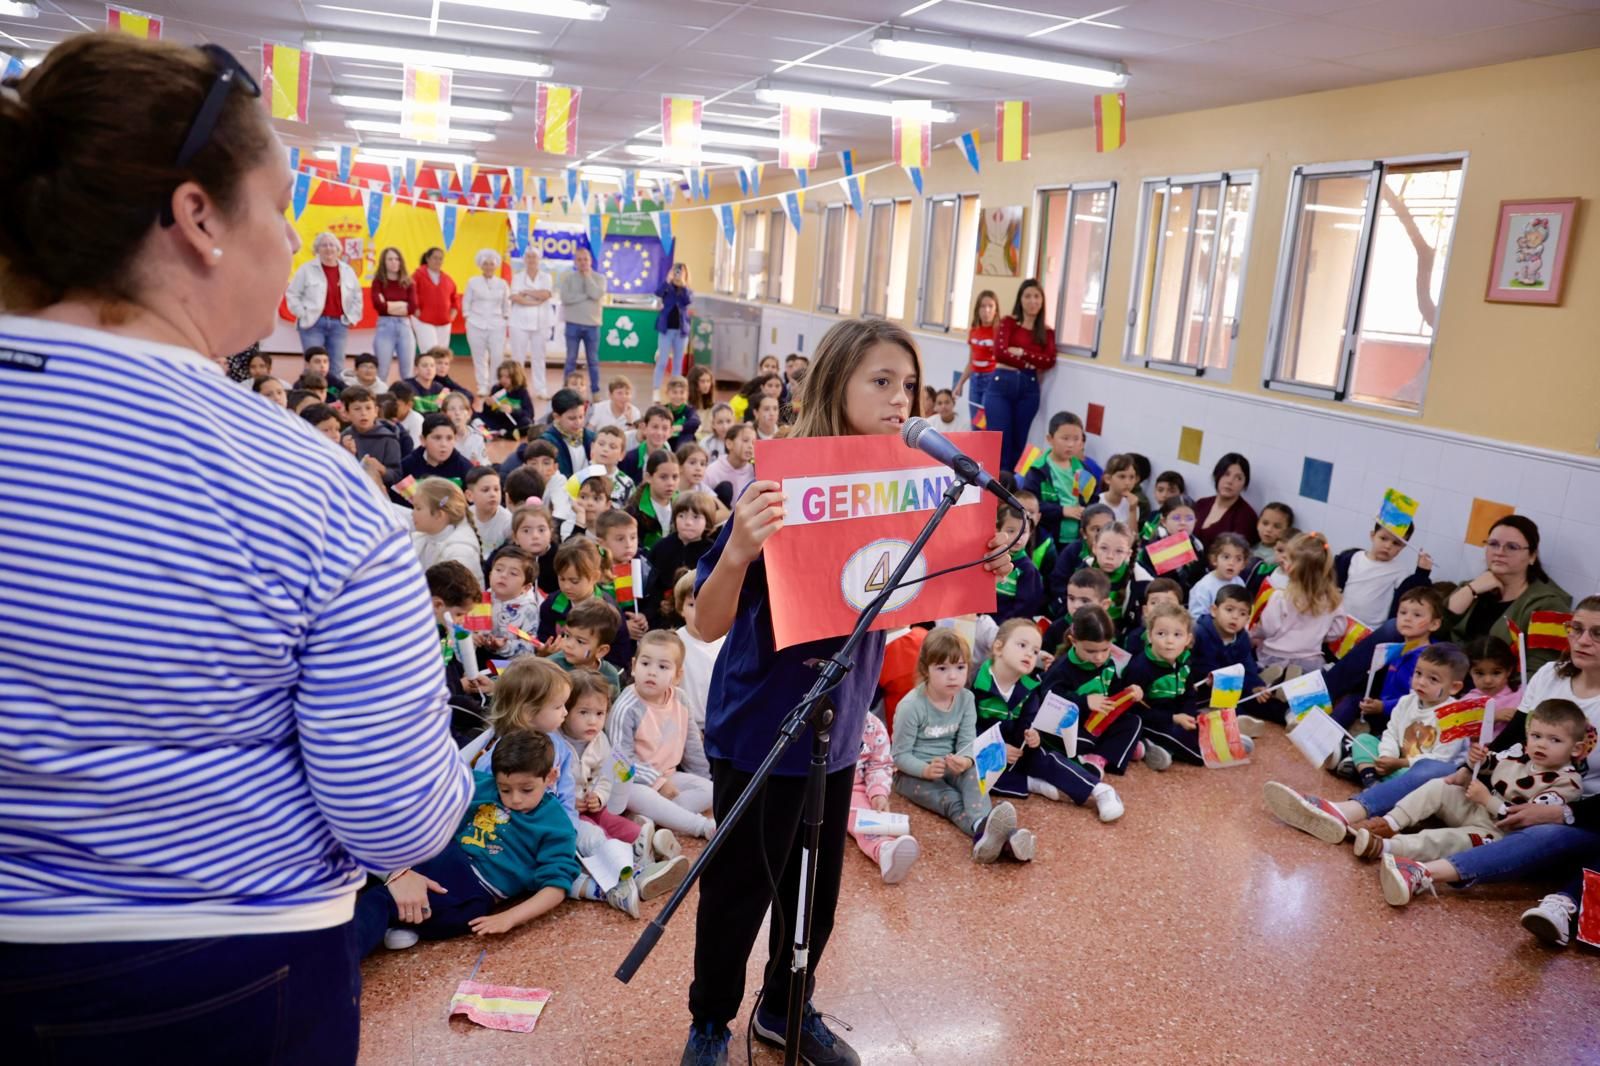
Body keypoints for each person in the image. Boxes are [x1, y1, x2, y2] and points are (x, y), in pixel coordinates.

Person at [0, 33, 470, 1062]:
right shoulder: (307, 491)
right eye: (281, 204)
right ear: (198, 217)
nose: (296, 242)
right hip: (216, 970)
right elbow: (396, 818)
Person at [681, 319, 1016, 1065]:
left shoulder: (915, 487)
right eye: (882, 382)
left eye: (910, 385)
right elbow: (706, 622)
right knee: (737, 895)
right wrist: (737, 547)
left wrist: (979, 556)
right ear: (837, 384)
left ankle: (783, 1009)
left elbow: (918, 596)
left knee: (814, 899)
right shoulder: (783, 485)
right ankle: (711, 1020)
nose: (902, 400)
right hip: (759, 728)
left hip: (836, 735)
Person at [354, 729, 577, 954]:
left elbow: (556, 887)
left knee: (380, 900)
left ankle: (337, 962)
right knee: (365, 863)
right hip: (444, 854)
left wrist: (510, 918)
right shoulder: (482, 784)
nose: (514, 799)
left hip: (473, 888)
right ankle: (394, 922)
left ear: (550, 777)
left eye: (526, 789)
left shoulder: (557, 826)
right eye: (505, 789)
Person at [1374, 701, 1589, 907]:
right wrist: (1476, 759)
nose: (1541, 744)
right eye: (1536, 735)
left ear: (1576, 749)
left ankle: (1389, 847)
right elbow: (1491, 762)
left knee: (1449, 840)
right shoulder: (1520, 752)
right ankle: (1388, 824)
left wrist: (1487, 799)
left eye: (1555, 740)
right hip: (1478, 807)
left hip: (1499, 831)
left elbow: (1522, 820)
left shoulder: (1566, 782)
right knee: (1439, 787)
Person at [891, 627, 1035, 863]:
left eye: (960, 667)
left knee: (974, 775)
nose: (953, 676)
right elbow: (899, 755)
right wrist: (925, 770)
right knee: (949, 799)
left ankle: (989, 835)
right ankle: (993, 833)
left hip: (951, 764)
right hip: (912, 775)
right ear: (926, 669)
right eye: (942, 668)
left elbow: (968, 742)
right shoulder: (911, 706)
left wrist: (966, 759)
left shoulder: (966, 699)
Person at [606, 631, 715, 839]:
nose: (652, 672)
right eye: (645, 664)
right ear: (634, 665)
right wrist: (658, 783)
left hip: (668, 775)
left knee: (711, 790)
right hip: (630, 782)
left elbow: (692, 745)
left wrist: (700, 779)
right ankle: (701, 826)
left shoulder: (680, 699)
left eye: (663, 667)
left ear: (677, 676)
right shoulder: (627, 707)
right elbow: (619, 762)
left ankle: (652, 820)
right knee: (641, 794)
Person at [1444, 515, 1572, 676]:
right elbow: (1434, 629)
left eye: (1512, 547)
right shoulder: (1473, 586)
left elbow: (1538, 673)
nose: (1499, 552)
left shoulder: (1549, 606)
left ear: (1532, 556)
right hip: (1448, 681)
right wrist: (1471, 589)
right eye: (1493, 544)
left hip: (1502, 695)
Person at [1252, 532, 1346, 676]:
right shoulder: (1333, 600)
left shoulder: (1281, 596)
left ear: (1293, 567)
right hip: (1309, 659)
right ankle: (1293, 682)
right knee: (1307, 674)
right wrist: (1319, 635)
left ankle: (1273, 680)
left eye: (1287, 559)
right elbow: (1338, 630)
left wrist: (1252, 634)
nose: (1283, 560)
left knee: (1256, 662)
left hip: (1275, 654)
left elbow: (1268, 627)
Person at [989, 278, 1056, 471]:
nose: (1032, 301)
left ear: (1042, 301)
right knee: (1000, 441)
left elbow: (1049, 360)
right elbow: (1000, 352)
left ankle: (1009, 490)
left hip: (1029, 389)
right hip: (1001, 385)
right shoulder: (1008, 323)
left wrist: (1022, 353)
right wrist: (1029, 363)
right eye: (1027, 296)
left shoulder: (1046, 332)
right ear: (1020, 299)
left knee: (1019, 445)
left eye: (1037, 296)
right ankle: (993, 489)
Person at [847, 711, 921, 884]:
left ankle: (885, 851)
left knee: (867, 820)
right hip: (805, 787)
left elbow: (879, 764)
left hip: (852, 789)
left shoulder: (872, 726)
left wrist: (878, 793)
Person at [285, 231, 363, 379]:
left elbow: (357, 296)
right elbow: (292, 294)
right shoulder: (306, 269)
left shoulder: (348, 271)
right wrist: (302, 314)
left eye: (332, 245)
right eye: (324, 245)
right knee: (314, 366)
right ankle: (311, 398)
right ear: (317, 249)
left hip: (339, 325)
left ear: (338, 249)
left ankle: (334, 400)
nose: (328, 248)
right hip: (313, 325)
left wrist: (352, 318)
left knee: (336, 367)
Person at [1335, 521, 1435, 628]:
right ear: (1373, 535)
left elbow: (1415, 595)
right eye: (1383, 538)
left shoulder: (1400, 571)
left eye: (1396, 543)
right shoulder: (1352, 558)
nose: (1388, 546)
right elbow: (1333, 584)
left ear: (1403, 547)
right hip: (1340, 621)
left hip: (1370, 630)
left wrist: (1422, 572)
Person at [558, 247, 607, 398]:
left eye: (585, 259)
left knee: (593, 360)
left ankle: (595, 390)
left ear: (590, 261)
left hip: (592, 325)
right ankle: (567, 390)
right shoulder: (568, 278)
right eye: (579, 259)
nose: (583, 262)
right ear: (575, 261)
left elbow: (596, 294)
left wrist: (587, 278)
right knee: (570, 359)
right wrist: (585, 296)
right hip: (572, 324)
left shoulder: (599, 278)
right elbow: (565, 298)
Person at [509, 249, 557, 395]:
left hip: (540, 322)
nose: (531, 260)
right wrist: (534, 301)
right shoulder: (517, 277)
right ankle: (517, 388)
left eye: (534, 257)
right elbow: (515, 297)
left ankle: (541, 388)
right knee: (518, 357)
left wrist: (527, 292)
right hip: (519, 322)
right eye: (528, 257)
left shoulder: (546, 277)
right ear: (524, 260)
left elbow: (546, 294)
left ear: (539, 260)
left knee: (539, 357)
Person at [463, 249, 510, 398]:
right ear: (481, 265)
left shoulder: (502, 283)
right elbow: (466, 302)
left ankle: (494, 385)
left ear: (496, 266)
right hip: (476, 323)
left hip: (497, 325)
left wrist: (505, 318)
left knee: (497, 356)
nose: (489, 267)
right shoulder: (473, 282)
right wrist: (468, 317)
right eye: (485, 264)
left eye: (491, 264)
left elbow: (506, 303)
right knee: (479, 357)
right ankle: (482, 385)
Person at [409, 477, 482, 572]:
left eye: (418, 508)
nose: (412, 513)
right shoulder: (418, 538)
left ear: (439, 515)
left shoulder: (460, 553)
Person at [1193, 452, 1259, 552]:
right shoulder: (1201, 504)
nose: (1230, 481)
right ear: (1217, 475)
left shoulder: (1246, 517)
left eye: (1238, 478)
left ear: (1244, 484)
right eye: (1226, 474)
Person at [369, 245, 416, 382]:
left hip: (405, 327)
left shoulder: (409, 283)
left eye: (397, 259)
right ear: (384, 262)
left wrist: (389, 304)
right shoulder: (378, 282)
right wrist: (402, 305)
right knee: (381, 371)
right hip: (385, 326)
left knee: (407, 373)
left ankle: (406, 401)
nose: (394, 262)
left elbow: (412, 307)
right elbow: (379, 306)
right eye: (390, 259)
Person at [953, 288, 999, 426]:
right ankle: (977, 447)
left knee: (986, 422)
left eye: (990, 306)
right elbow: (971, 362)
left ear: (996, 310)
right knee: (975, 423)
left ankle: (987, 447)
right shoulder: (974, 331)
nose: (986, 310)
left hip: (991, 380)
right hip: (975, 381)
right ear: (977, 310)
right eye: (983, 306)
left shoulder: (998, 332)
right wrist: (960, 383)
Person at [1188, 532, 1251, 621]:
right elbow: (1196, 618)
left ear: (1243, 565)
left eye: (1238, 559)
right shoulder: (1204, 587)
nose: (1231, 563)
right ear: (1214, 560)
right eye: (1226, 557)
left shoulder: (1239, 582)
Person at [410, 245, 460, 353]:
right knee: (429, 352)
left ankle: (440, 371)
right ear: (427, 259)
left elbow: (454, 298)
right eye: (435, 258)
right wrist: (415, 310)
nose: (438, 261)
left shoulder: (447, 279)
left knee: (441, 354)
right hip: (423, 320)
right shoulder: (417, 275)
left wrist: (453, 312)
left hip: (444, 322)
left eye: (440, 258)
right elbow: (409, 293)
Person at [402, 411, 474, 486]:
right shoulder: (407, 467)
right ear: (423, 440)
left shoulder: (465, 469)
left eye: (449, 438)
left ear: (455, 439)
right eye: (437, 438)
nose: (444, 444)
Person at [655, 263, 693, 397]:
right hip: (666, 329)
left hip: (681, 330)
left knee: (677, 363)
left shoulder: (686, 289)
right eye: (676, 271)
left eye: (681, 272)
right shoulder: (667, 287)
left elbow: (687, 301)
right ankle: (656, 390)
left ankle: (675, 390)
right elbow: (658, 292)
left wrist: (683, 285)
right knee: (663, 360)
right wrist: (667, 280)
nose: (678, 274)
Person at [540, 387, 594, 477]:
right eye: (572, 418)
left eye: (581, 416)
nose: (578, 422)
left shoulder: (591, 437)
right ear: (556, 417)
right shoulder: (547, 442)